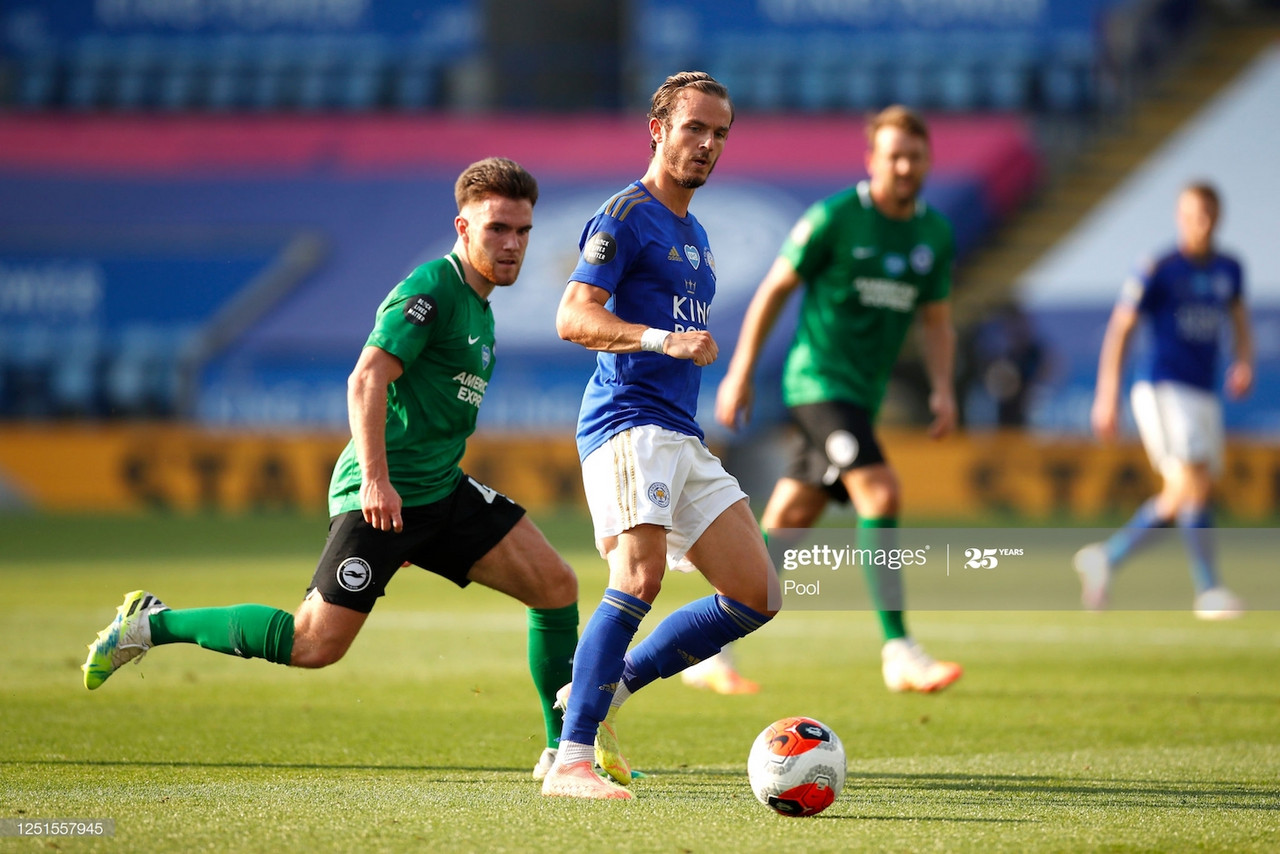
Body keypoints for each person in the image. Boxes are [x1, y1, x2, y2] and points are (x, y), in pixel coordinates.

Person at [82, 157, 580, 778]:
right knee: (312, 645)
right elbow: (366, 376)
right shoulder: (433, 288)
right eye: (497, 229)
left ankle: (567, 753)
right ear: (462, 226)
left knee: (555, 586)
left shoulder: (480, 305)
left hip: (441, 491)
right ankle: (153, 623)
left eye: (522, 231)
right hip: (383, 496)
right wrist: (375, 478)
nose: (511, 244)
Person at [539, 71, 780, 800]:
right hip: (628, 421)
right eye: (694, 129)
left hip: (680, 431)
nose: (707, 144)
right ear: (658, 129)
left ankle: (610, 687)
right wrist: (659, 339)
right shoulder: (626, 214)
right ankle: (571, 759)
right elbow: (573, 316)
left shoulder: (696, 234)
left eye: (720, 133)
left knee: (755, 593)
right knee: (638, 577)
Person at [714, 105, 962, 695]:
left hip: (861, 395)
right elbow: (776, 289)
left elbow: (936, 321)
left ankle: (708, 646)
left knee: (791, 517)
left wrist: (944, 387)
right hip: (818, 383)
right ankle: (899, 649)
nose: (904, 167)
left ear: (927, 162)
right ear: (872, 159)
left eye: (915, 156)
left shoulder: (934, 235)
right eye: (893, 155)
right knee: (880, 489)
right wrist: (741, 372)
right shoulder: (834, 218)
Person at [1074, 181, 1253, 619]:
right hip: (1163, 387)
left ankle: (1107, 558)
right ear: (1180, 218)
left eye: (1208, 214)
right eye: (1193, 214)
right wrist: (1107, 393)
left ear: (1219, 216)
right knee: (1192, 482)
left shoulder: (1230, 268)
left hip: (1203, 390)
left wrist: (1244, 360)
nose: (1202, 223)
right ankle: (1209, 591)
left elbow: (1239, 319)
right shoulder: (1158, 268)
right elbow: (1121, 328)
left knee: (1185, 493)